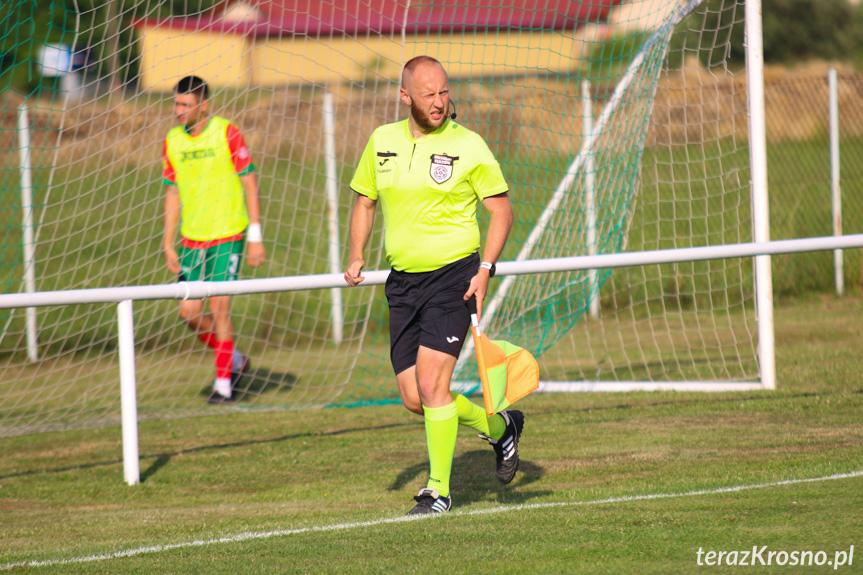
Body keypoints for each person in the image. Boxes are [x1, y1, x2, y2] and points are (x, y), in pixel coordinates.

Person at [345, 55, 523, 514]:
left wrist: (485, 268)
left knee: (431, 385)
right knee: (414, 397)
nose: (439, 101)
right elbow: (364, 202)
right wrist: (356, 255)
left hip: (454, 279)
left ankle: (438, 490)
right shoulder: (381, 141)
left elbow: (501, 211)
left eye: (444, 91)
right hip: (403, 283)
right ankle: (501, 428)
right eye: (428, 93)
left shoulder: (469, 144)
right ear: (405, 96)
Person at [162, 75, 266, 404]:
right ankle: (234, 359)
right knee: (189, 312)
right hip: (192, 239)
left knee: (220, 306)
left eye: (185, 105)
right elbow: (173, 190)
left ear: (203, 106)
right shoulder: (173, 141)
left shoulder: (227, 131)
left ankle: (223, 384)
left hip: (228, 235)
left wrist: (255, 237)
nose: (178, 110)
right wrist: (167, 241)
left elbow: (249, 182)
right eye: (176, 103)